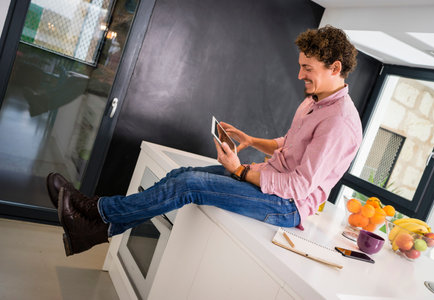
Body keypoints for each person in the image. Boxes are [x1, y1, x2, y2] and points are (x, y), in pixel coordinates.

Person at [47, 25, 362, 256]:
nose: (300, 76)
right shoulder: (314, 100)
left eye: (307, 68)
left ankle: (94, 211)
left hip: (286, 206)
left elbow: (299, 187)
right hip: (271, 180)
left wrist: (240, 171)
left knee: (189, 186)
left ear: (335, 68)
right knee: (180, 175)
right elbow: (288, 144)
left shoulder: (339, 122)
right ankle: (91, 230)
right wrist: (251, 139)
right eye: (300, 67)